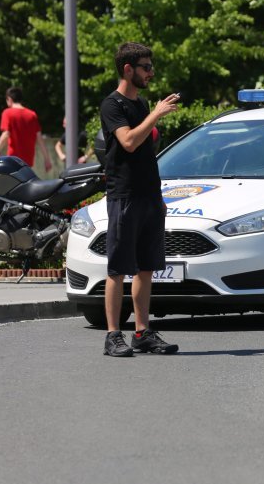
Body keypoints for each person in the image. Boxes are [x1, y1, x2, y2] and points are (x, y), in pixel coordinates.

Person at [100, 42, 181, 357]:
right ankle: (112, 336)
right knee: (118, 268)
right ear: (128, 69)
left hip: (148, 197)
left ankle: (142, 332)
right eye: (146, 67)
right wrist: (157, 114)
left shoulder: (143, 103)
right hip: (124, 196)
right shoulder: (112, 105)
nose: (152, 72)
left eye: (151, 66)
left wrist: (158, 197)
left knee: (146, 268)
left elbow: (147, 155)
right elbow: (129, 142)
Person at [0, 87, 52, 173]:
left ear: (9, 99)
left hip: (13, 161)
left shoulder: (7, 113)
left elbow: (5, 135)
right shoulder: (32, 115)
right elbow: (39, 138)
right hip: (27, 163)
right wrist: (47, 159)